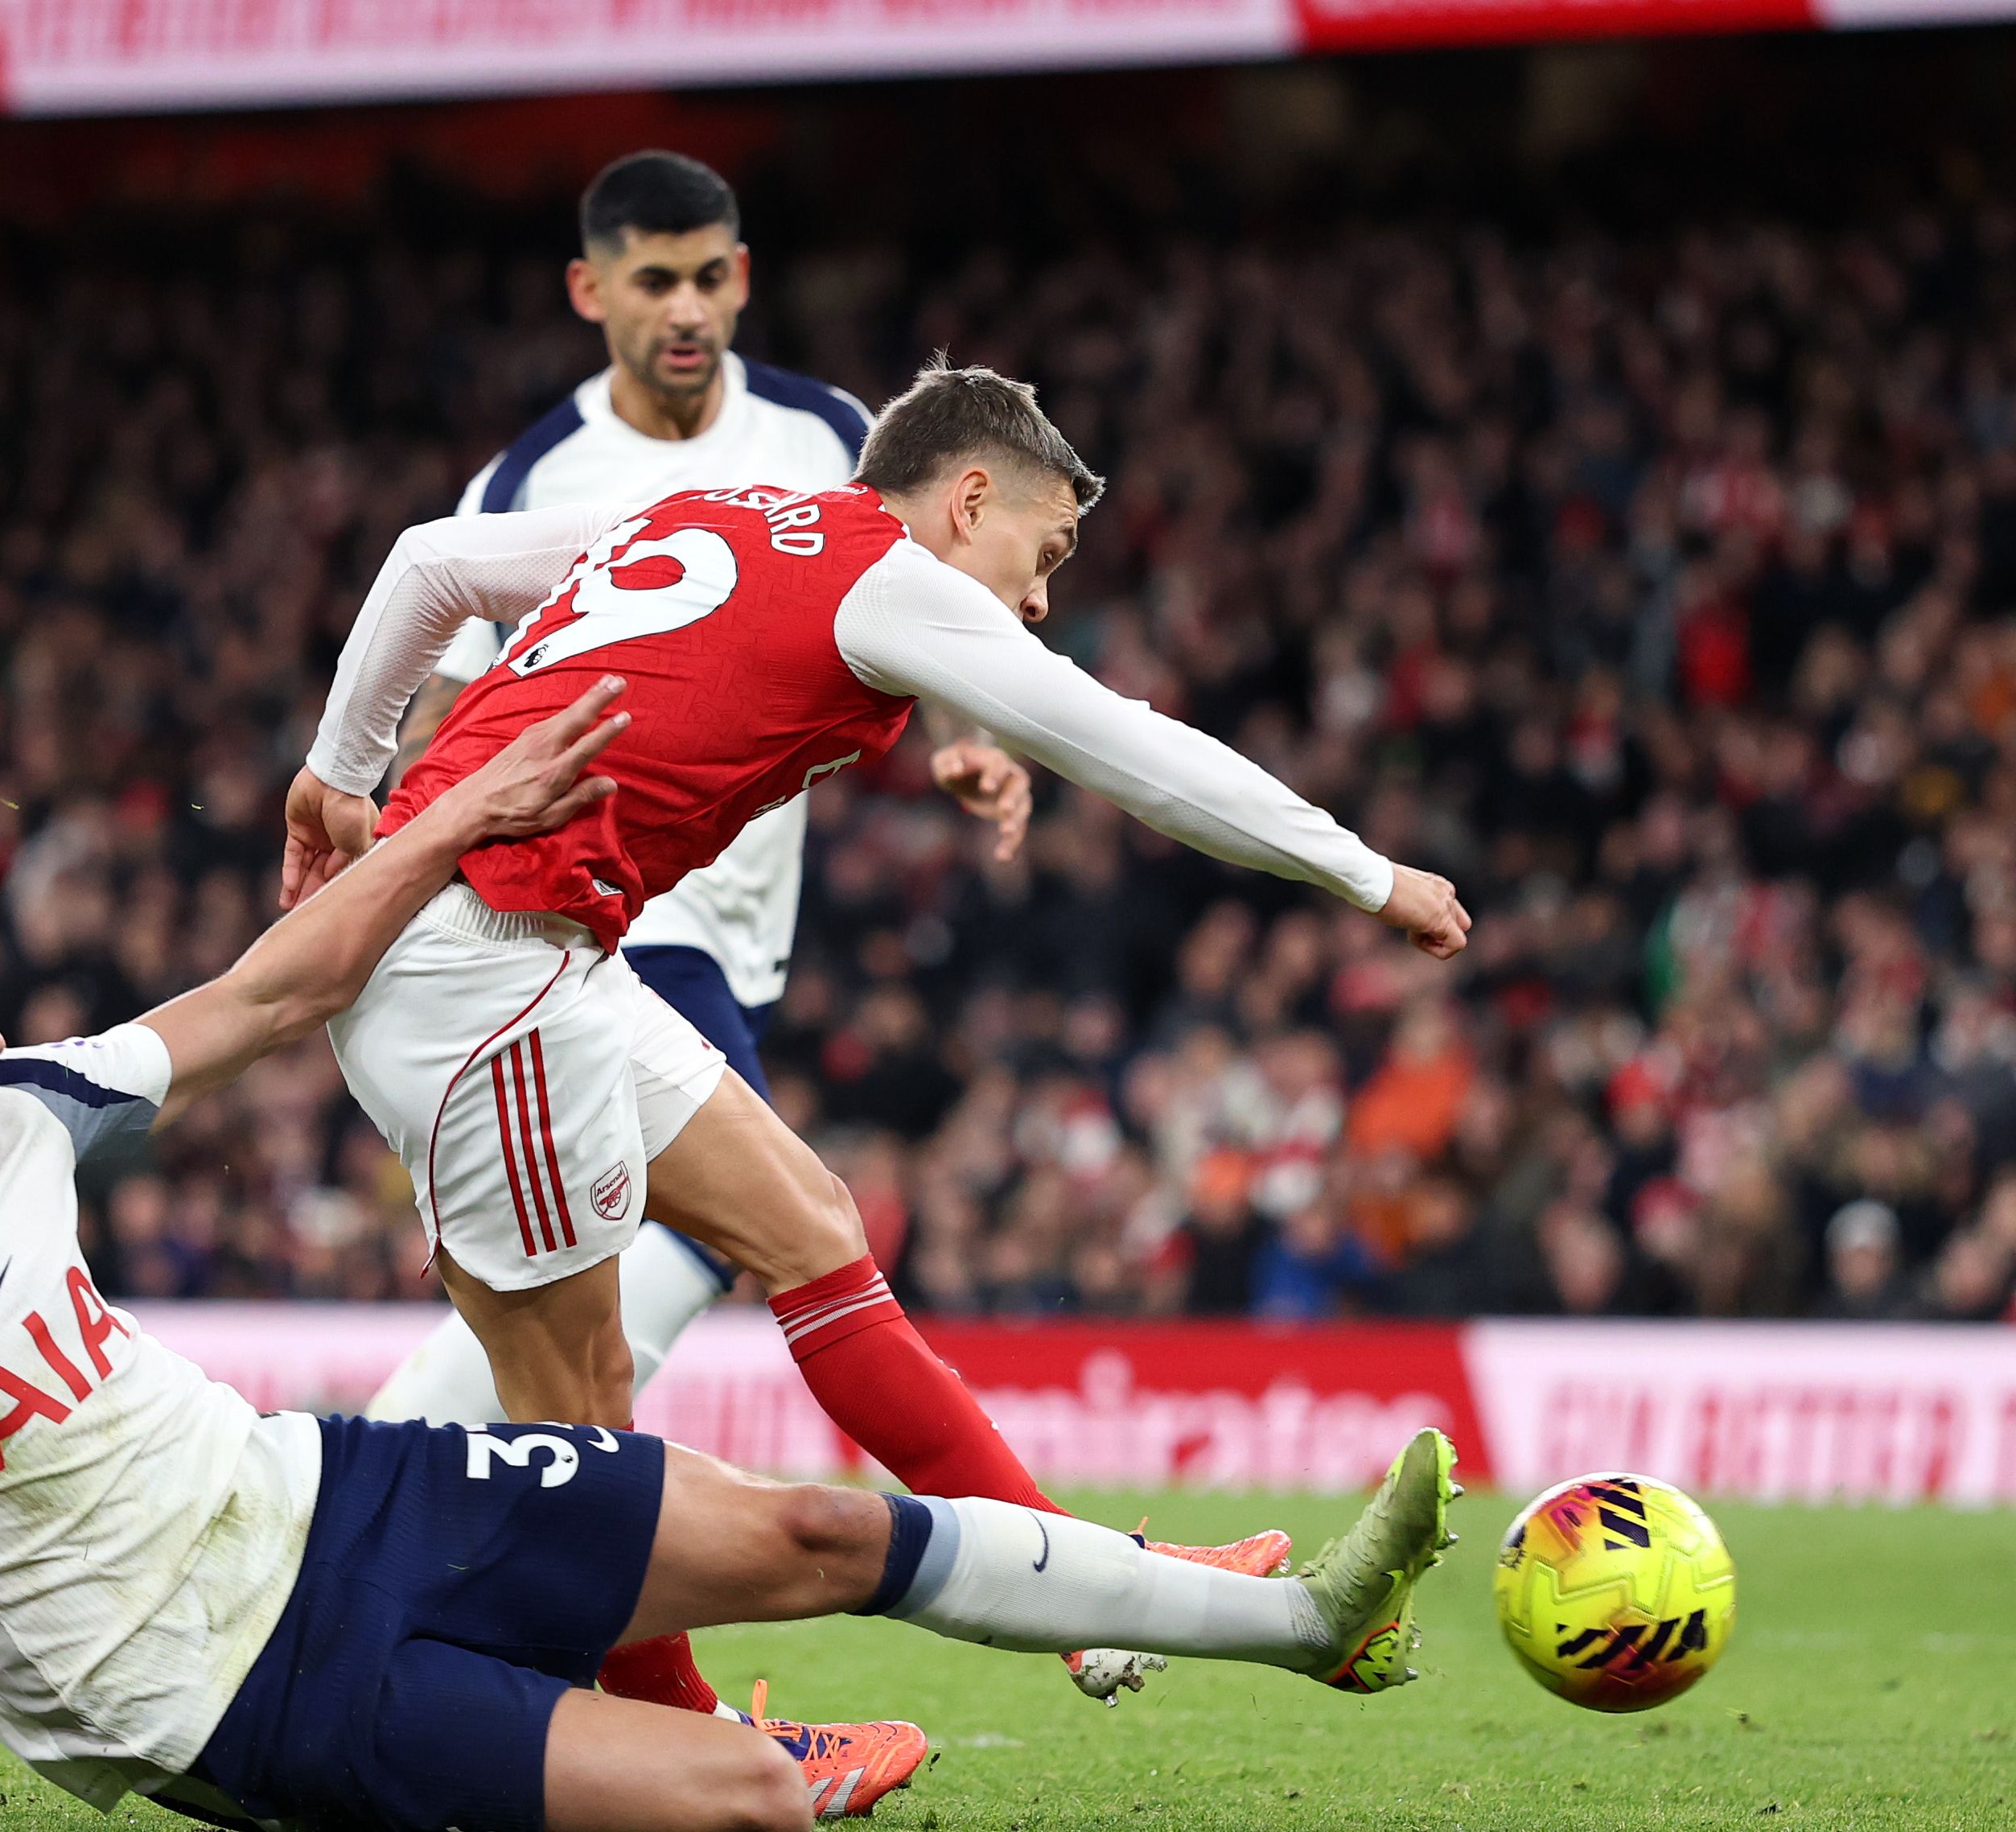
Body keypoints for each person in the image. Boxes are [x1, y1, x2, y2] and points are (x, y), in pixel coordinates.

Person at [0, 705, 1461, 1832]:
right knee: (749, 1797)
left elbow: (272, 991)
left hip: (331, 1486)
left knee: (817, 1530)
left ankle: (1308, 1623)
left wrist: (453, 817)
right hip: (241, 1695)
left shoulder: (24, 1116)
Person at [280, 356, 1474, 1727]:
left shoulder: (723, 506)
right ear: (970, 497)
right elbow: (1132, 748)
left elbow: (430, 561)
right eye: (1046, 549)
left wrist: (339, 772)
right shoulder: (884, 573)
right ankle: (683, 1749)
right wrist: (1369, 876)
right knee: (583, 1427)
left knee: (809, 1224)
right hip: (474, 968)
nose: (1039, 598)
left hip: (528, 945)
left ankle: (1083, 1594)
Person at [364, 149, 1248, 1724]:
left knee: (663, 1295)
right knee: (711, 1261)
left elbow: (903, 629)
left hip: (703, 922)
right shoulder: (529, 478)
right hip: (588, 919)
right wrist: (387, 837)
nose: (686, 307)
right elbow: (465, 684)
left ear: (743, 275)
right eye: (653, 280)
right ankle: (424, 1533)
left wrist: (965, 733)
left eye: (709, 274)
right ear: (593, 293)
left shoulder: (833, 437)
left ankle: (467, 1548)